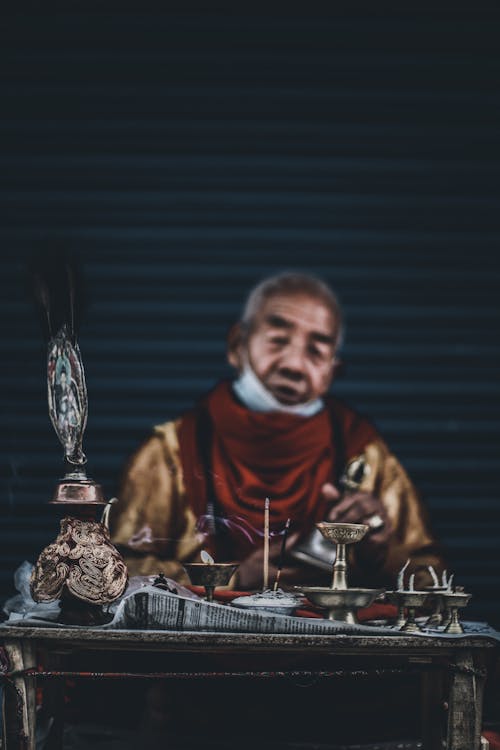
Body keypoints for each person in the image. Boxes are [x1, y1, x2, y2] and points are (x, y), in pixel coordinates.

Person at [110, 271, 444, 591]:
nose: (294, 365)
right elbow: (115, 572)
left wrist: (379, 554)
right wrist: (234, 578)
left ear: (333, 370)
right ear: (237, 345)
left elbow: (431, 579)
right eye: (277, 341)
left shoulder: (364, 455)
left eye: (316, 350)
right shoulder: (172, 451)